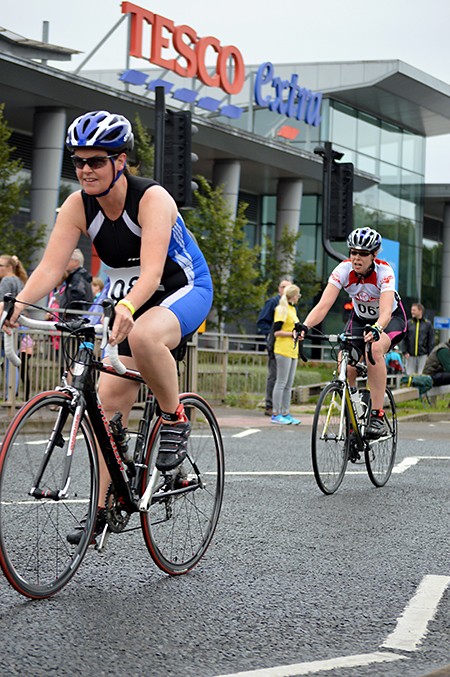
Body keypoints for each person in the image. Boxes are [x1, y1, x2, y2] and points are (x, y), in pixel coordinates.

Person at [1, 110, 213, 543]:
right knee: (104, 404)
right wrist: (18, 304)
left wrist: (131, 306)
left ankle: (173, 419)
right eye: (78, 161)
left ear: (121, 161)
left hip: (180, 286)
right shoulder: (77, 205)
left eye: (96, 160)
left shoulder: (152, 199)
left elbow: (152, 275)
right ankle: (104, 506)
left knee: (144, 335)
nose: (85, 169)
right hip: (125, 295)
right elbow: (49, 268)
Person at [298, 227, 407, 438]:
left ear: (374, 255)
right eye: (353, 252)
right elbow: (323, 306)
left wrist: (377, 328)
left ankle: (377, 414)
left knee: (374, 351)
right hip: (359, 319)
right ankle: (354, 413)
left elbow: (384, 311)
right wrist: (305, 326)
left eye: (363, 254)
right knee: (344, 362)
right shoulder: (343, 270)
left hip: (390, 320)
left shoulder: (384, 272)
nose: (357, 258)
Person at [257, 278, 291, 416]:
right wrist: (270, 335)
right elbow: (262, 321)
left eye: (287, 287)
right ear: (279, 288)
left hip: (287, 346)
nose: (284, 290)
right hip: (276, 343)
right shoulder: (273, 303)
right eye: (283, 287)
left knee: (283, 378)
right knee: (274, 375)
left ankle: (281, 407)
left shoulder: (290, 305)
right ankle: (270, 405)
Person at [271, 284, 302, 425]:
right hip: (283, 349)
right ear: (293, 296)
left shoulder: (292, 309)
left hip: (293, 350)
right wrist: (292, 334)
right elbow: (276, 332)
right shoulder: (281, 309)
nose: (299, 297)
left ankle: (286, 412)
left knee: (289, 384)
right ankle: (276, 413)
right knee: (281, 382)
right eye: (298, 295)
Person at [403, 302, 434, 375]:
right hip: (410, 355)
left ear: (420, 311)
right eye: (411, 310)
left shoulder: (427, 324)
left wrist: (429, 354)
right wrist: (405, 351)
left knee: (421, 375)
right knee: (410, 375)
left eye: (414, 310)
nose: (412, 312)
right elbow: (404, 338)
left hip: (423, 355)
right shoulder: (408, 323)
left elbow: (431, 340)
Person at [60, 248, 93, 316]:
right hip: (77, 319)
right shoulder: (80, 276)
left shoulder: (77, 278)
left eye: (68, 260)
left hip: (74, 320)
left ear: (76, 262)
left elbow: (77, 297)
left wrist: (67, 311)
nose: (65, 263)